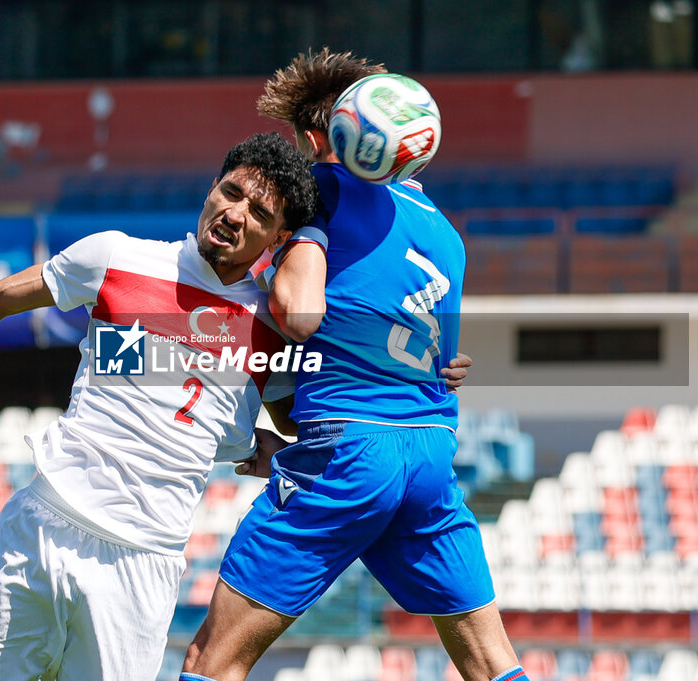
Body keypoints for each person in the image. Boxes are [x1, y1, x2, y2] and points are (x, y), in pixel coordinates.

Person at [0, 132, 321, 681]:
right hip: (46, 524)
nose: (234, 213)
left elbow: (303, 429)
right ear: (211, 188)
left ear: (280, 236)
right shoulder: (116, 256)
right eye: (230, 192)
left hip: (143, 562)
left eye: (259, 212)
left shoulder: (273, 333)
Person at [180, 49, 526, 681]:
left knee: (213, 659)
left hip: (347, 448)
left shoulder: (324, 193)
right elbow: (421, 350)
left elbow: (297, 312)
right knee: (491, 662)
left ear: (320, 139)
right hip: (429, 451)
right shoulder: (446, 233)